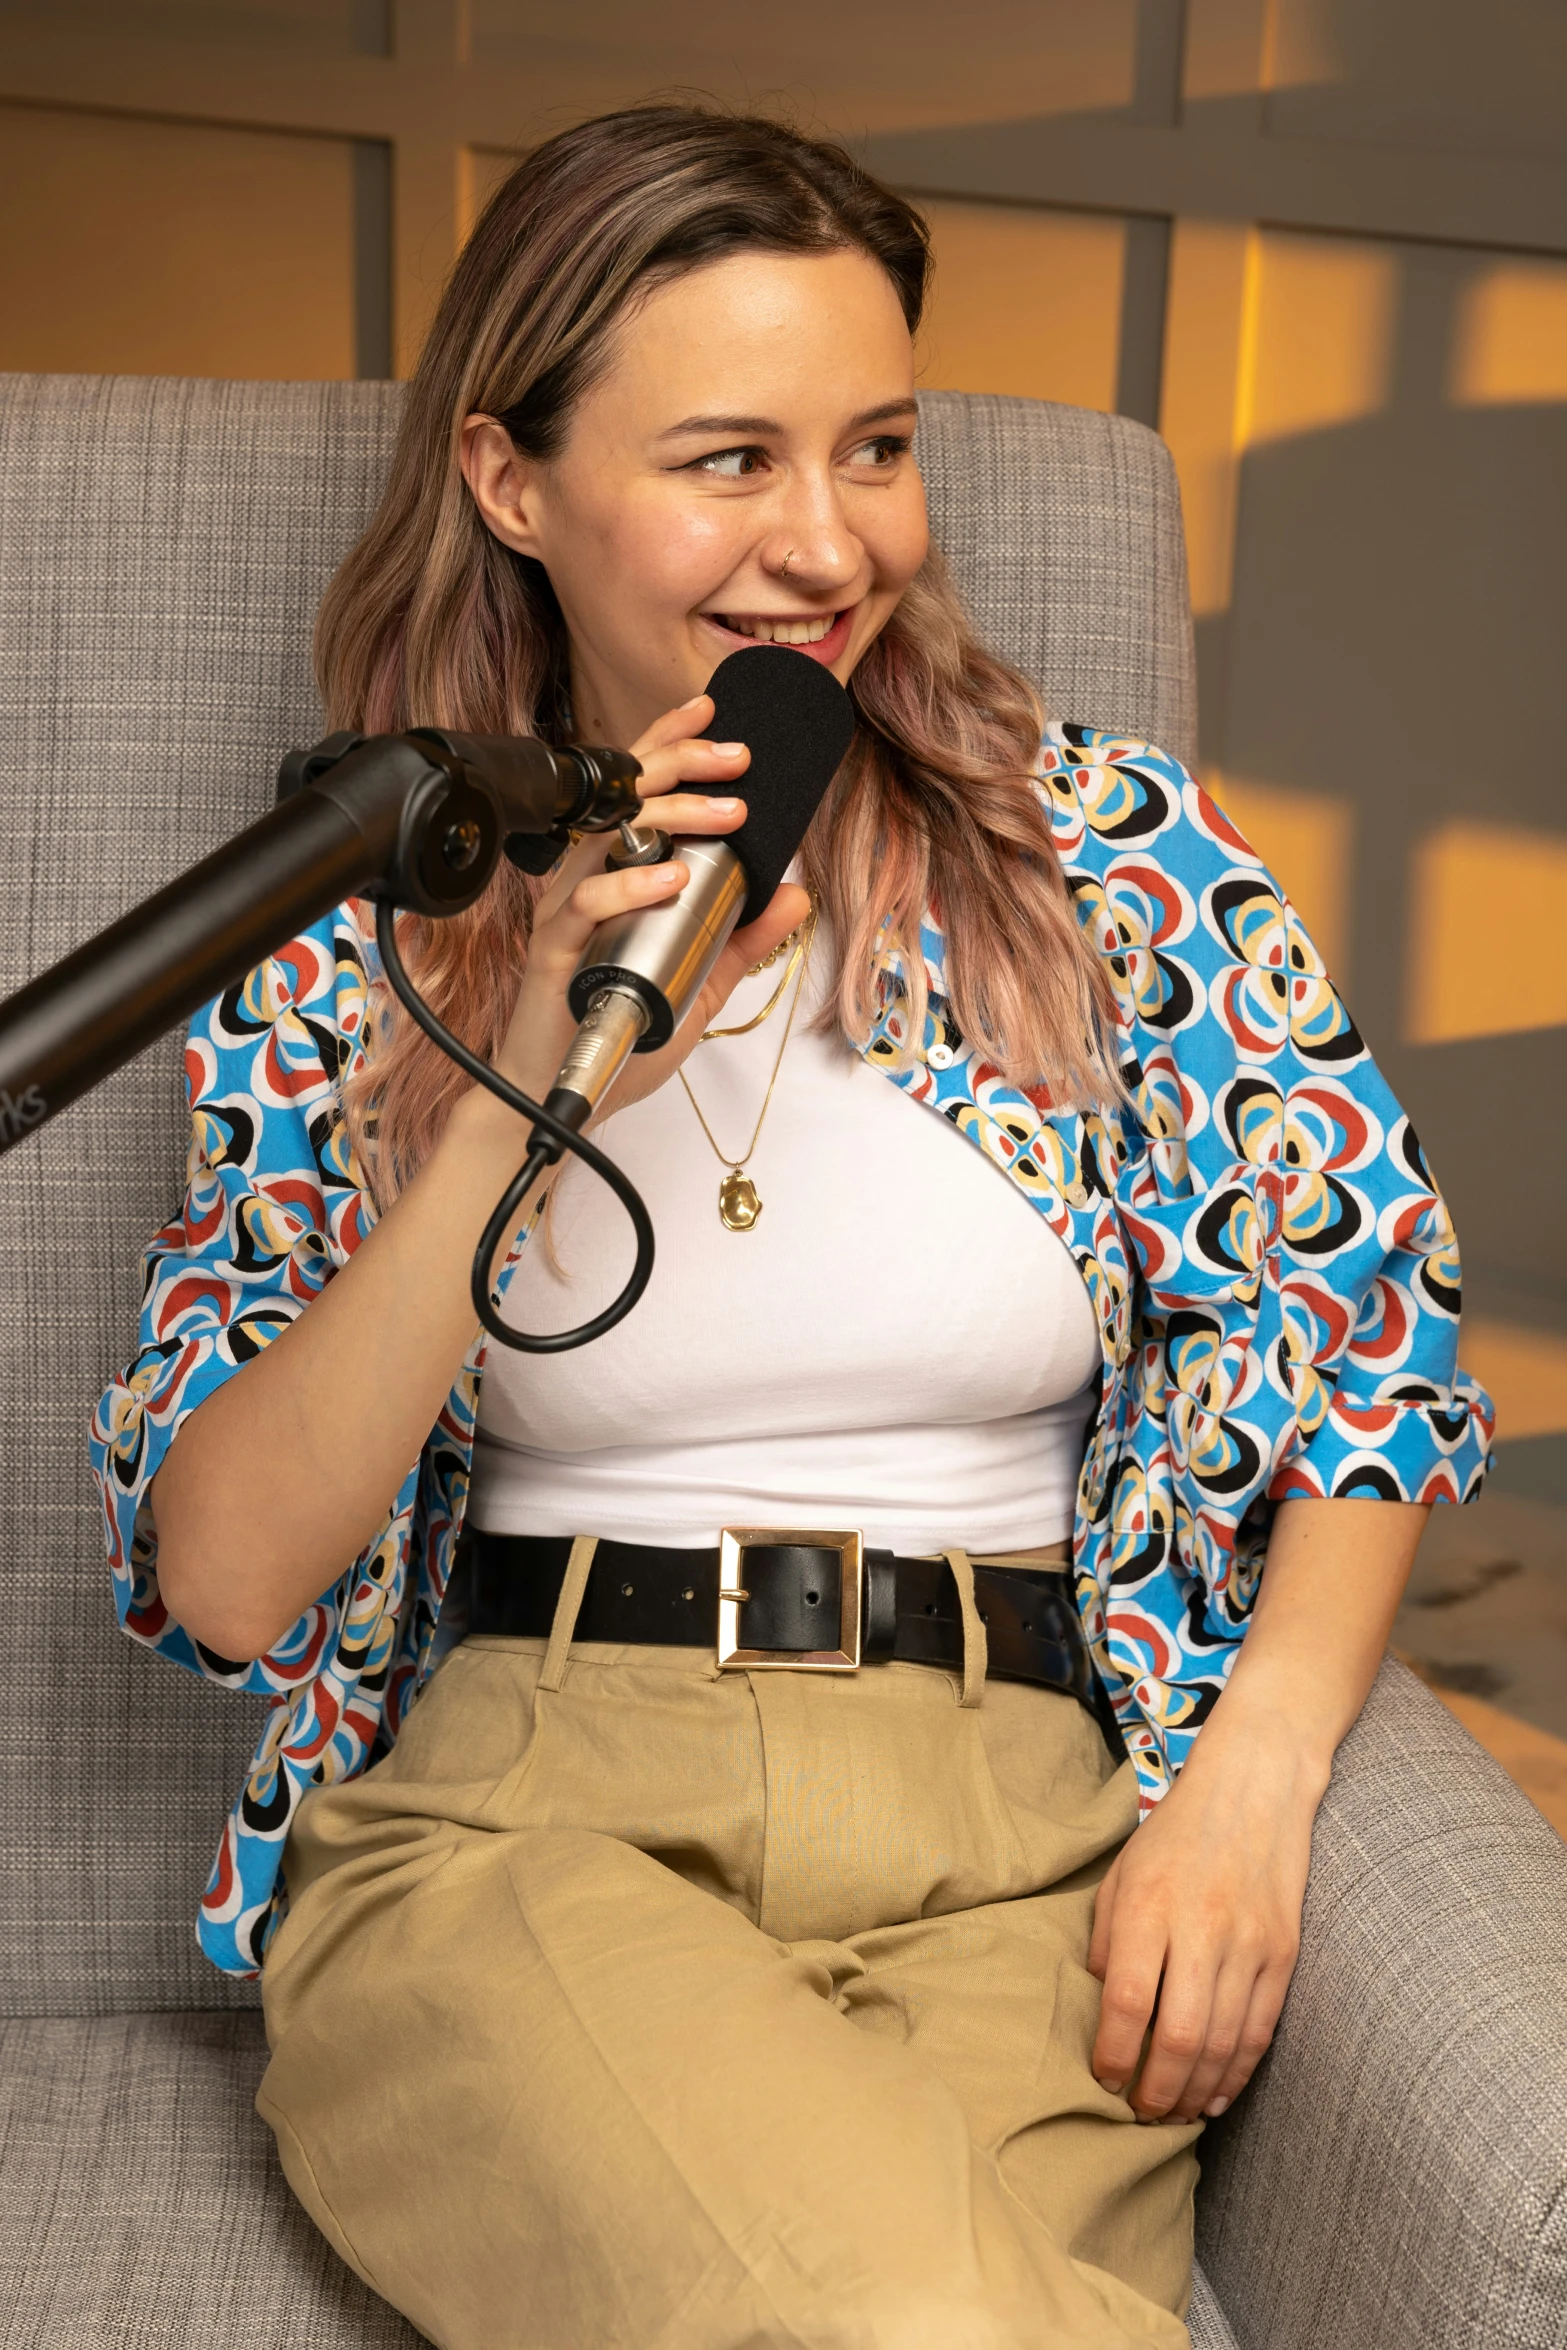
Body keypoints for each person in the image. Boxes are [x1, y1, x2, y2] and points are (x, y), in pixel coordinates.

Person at [90, 105, 1493, 2350]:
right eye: (731, 457)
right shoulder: (364, 928)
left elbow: (1359, 1345)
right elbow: (231, 1572)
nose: (828, 545)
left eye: (879, 446)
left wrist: (1248, 1792)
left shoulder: (1110, 859)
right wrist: (521, 1099)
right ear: (510, 475)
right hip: (533, 1819)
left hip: (1021, 1835)